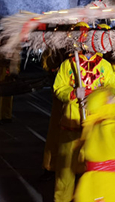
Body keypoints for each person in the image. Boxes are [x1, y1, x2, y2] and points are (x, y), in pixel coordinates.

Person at [53, 35, 115, 202]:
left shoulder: (104, 65)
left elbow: (114, 87)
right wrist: (73, 93)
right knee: (66, 168)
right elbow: (58, 88)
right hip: (72, 121)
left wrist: (102, 94)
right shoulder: (68, 64)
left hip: (95, 124)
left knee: (93, 167)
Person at [40, 46, 65, 181]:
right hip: (63, 98)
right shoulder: (55, 48)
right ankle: (51, 165)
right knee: (56, 131)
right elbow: (48, 65)